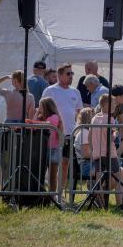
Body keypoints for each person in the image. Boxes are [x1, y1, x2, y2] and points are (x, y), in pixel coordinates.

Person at [90, 94, 123, 211]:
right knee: (119, 179)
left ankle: (101, 206)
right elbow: (110, 138)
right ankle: (119, 205)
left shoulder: (94, 118)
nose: (115, 106)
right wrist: (115, 133)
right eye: (113, 103)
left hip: (97, 153)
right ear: (106, 104)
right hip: (110, 154)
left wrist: (93, 150)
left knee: (98, 181)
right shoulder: (110, 119)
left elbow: (90, 137)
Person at [41, 63, 83, 196]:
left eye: (72, 74)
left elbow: (79, 112)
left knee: (65, 163)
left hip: (70, 134)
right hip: (52, 135)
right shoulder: (50, 90)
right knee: (50, 165)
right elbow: (42, 109)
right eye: (68, 74)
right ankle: (47, 193)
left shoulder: (75, 92)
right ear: (59, 75)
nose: (71, 76)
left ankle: (59, 193)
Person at [33, 97, 63, 193]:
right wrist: (36, 114)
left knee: (52, 175)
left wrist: (37, 117)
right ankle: (42, 194)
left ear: (46, 107)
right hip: (43, 149)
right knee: (40, 174)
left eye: (40, 106)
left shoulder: (54, 117)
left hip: (53, 150)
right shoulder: (42, 117)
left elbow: (47, 125)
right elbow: (33, 127)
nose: (39, 108)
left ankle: (52, 196)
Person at [73, 107, 96, 179]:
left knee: (112, 169)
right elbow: (86, 154)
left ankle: (96, 189)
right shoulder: (84, 133)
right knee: (109, 170)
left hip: (89, 164)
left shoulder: (85, 132)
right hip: (86, 166)